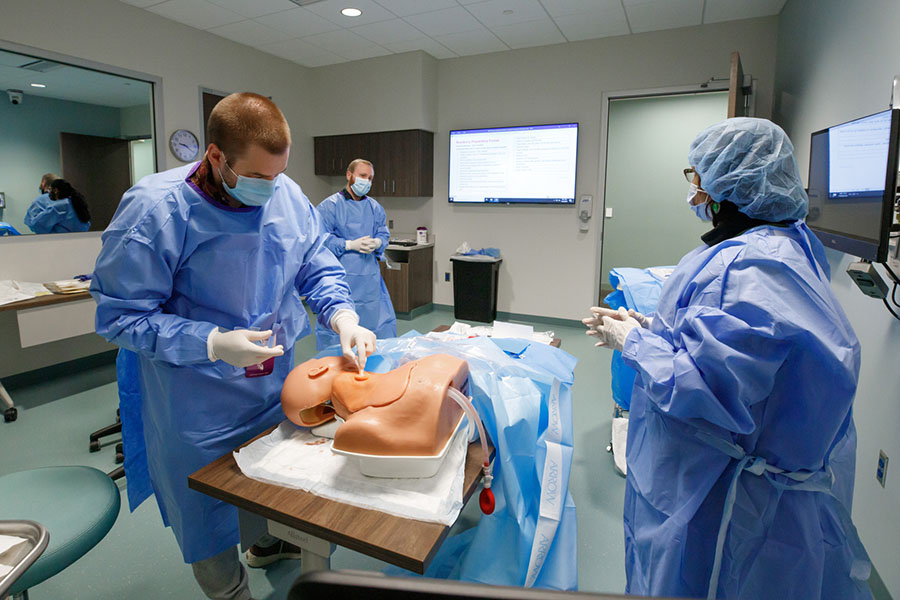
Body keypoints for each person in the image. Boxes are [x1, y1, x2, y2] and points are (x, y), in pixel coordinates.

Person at [91, 92, 376, 600]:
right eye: (260, 178)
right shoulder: (156, 210)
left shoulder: (285, 195)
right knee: (205, 516)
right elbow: (121, 318)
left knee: (277, 482)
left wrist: (343, 315)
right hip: (195, 400)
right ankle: (229, 591)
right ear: (216, 157)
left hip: (272, 386)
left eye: (279, 174)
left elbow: (314, 263)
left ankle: (268, 545)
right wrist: (213, 343)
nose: (274, 188)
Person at [584, 118, 872, 599]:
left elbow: (703, 389)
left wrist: (631, 343)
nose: (695, 193)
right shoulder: (779, 250)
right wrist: (655, 329)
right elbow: (726, 350)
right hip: (753, 500)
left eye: (699, 177)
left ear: (732, 183)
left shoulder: (748, 269)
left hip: (736, 516)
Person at [315, 158, 396, 349]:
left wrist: (377, 242)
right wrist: (349, 245)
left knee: (375, 328)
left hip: (370, 280)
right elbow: (320, 240)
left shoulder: (374, 207)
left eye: (370, 178)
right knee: (341, 329)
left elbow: (383, 234)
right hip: (341, 279)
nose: (366, 181)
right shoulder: (330, 206)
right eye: (362, 176)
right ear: (349, 175)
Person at [25, 175, 91, 234]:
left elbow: (37, 225)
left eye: (50, 190)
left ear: (56, 190)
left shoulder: (59, 207)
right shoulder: (75, 202)